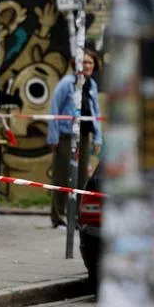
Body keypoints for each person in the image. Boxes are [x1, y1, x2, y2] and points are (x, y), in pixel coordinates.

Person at [47, 53, 102, 229]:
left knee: (82, 179)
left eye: (90, 62)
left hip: (84, 136)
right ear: (76, 64)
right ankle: (58, 218)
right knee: (62, 177)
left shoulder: (92, 84)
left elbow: (96, 112)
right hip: (66, 136)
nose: (87, 65)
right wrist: (53, 137)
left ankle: (78, 218)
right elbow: (55, 109)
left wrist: (98, 137)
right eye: (84, 62)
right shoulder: (67, 83)